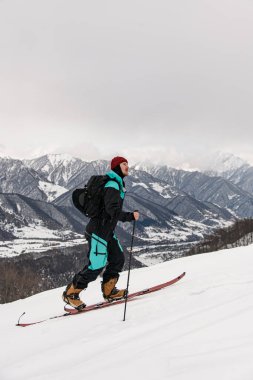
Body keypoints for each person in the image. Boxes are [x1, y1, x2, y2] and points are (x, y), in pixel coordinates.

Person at [62, 156, 139, 310]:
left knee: (117, 258)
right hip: (98, 231)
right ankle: (71, 293)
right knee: (96, 265)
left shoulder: (116, 183)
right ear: (117, 167)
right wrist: (130, 216)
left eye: (127, 164)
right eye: (124, 164)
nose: (127, 166)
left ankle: (109, 291)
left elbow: (109, 210)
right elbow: (112, 211)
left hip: (106, 231)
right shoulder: (112, 184)